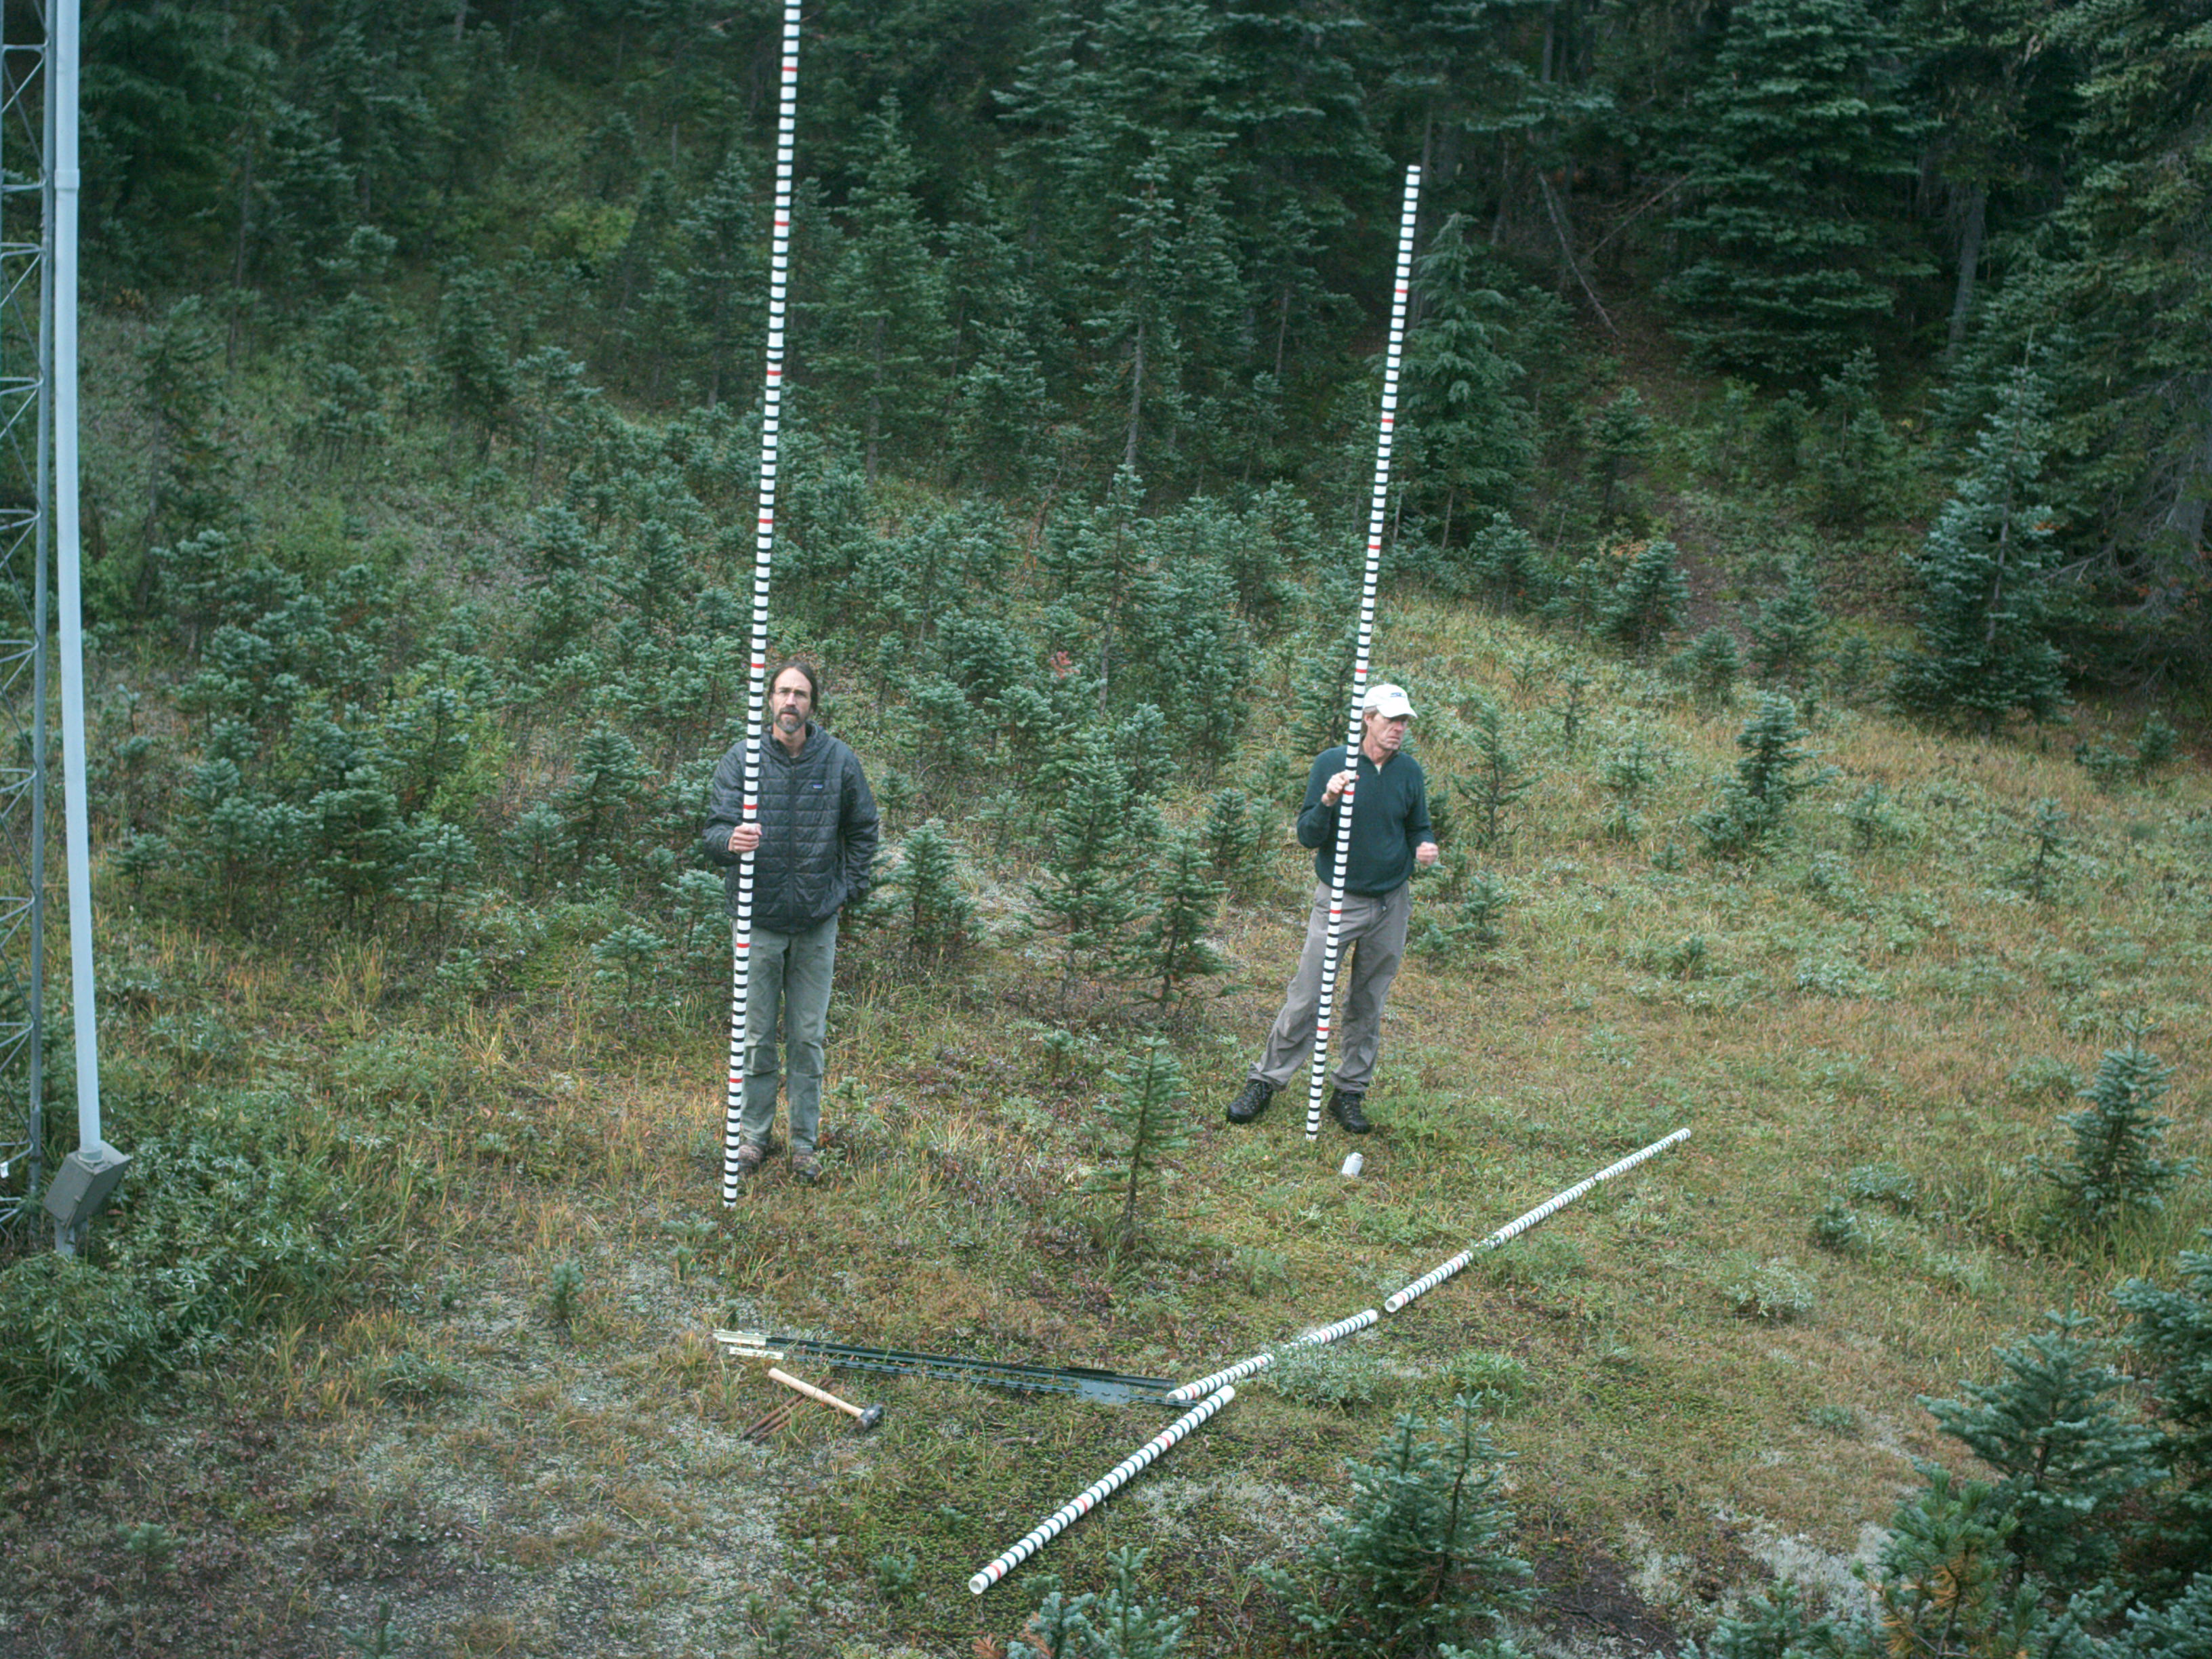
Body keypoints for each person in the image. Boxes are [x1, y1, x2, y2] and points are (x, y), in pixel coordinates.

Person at [1225, 682, 1439, 1135]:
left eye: (1404, 722)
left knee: (1369, 999)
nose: (1399, 729)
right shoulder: (1332, 763)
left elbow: (1418, 824)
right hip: (1340, 899)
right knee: (1308, 993)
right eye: (1391, 720)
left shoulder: (1409, 772)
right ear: (1368, 718)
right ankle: (1265, 1081)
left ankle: (1349, 1093)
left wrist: (1424, 845)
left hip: (1391, 903)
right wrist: (1328, 799)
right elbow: (1307, 834)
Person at [703, 661, 878, 1183]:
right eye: (783, 691)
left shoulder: (839, 760)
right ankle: (754, 1138)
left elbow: (864, 829)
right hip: (758, 919)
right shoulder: (743, 760)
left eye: (800, 694)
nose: (790, 702)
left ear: (812, 704)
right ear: (769, 699)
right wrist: (729, 841)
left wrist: (848, 890)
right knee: (755, 1036)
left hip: (816, 923)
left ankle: (805, 1143)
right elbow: (713, 830)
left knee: (807, 1036)